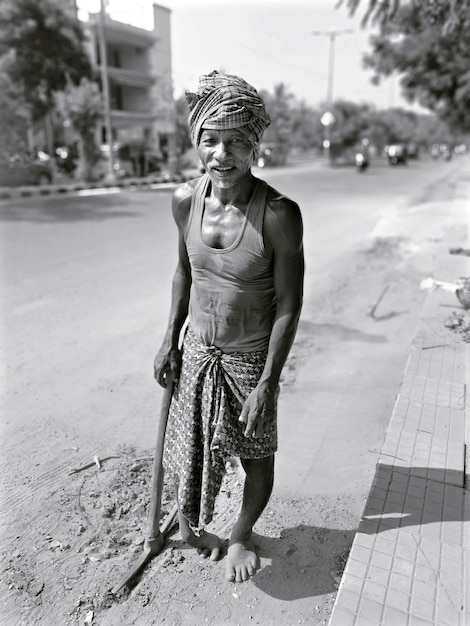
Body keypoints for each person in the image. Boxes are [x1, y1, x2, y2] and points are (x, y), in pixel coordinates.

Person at [153, 70, 304, 584]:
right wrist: (169, 340)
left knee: (255, 457)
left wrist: (268, 381)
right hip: (198, 348)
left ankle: (241, 533)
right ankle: (193, 522)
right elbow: (183, 272)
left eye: (237, 140)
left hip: (250, 360)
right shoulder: (183, 200)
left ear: (255, 147)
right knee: (191, 445)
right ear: (197, 143)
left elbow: (290, 303)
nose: (223, 153)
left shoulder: (280, 214)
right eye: (211, 140)